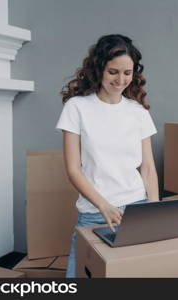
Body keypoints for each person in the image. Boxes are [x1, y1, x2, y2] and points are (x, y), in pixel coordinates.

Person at [55, 34, 159, 278]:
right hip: (95, 212)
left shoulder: (138, 112)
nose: (120, 80)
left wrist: (153, 211)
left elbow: (148, 168)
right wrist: (104, 206)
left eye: (127, 73)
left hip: (137, 208)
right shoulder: (77, 108)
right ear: (99, 68)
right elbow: (73, 170)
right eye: (113, 72)